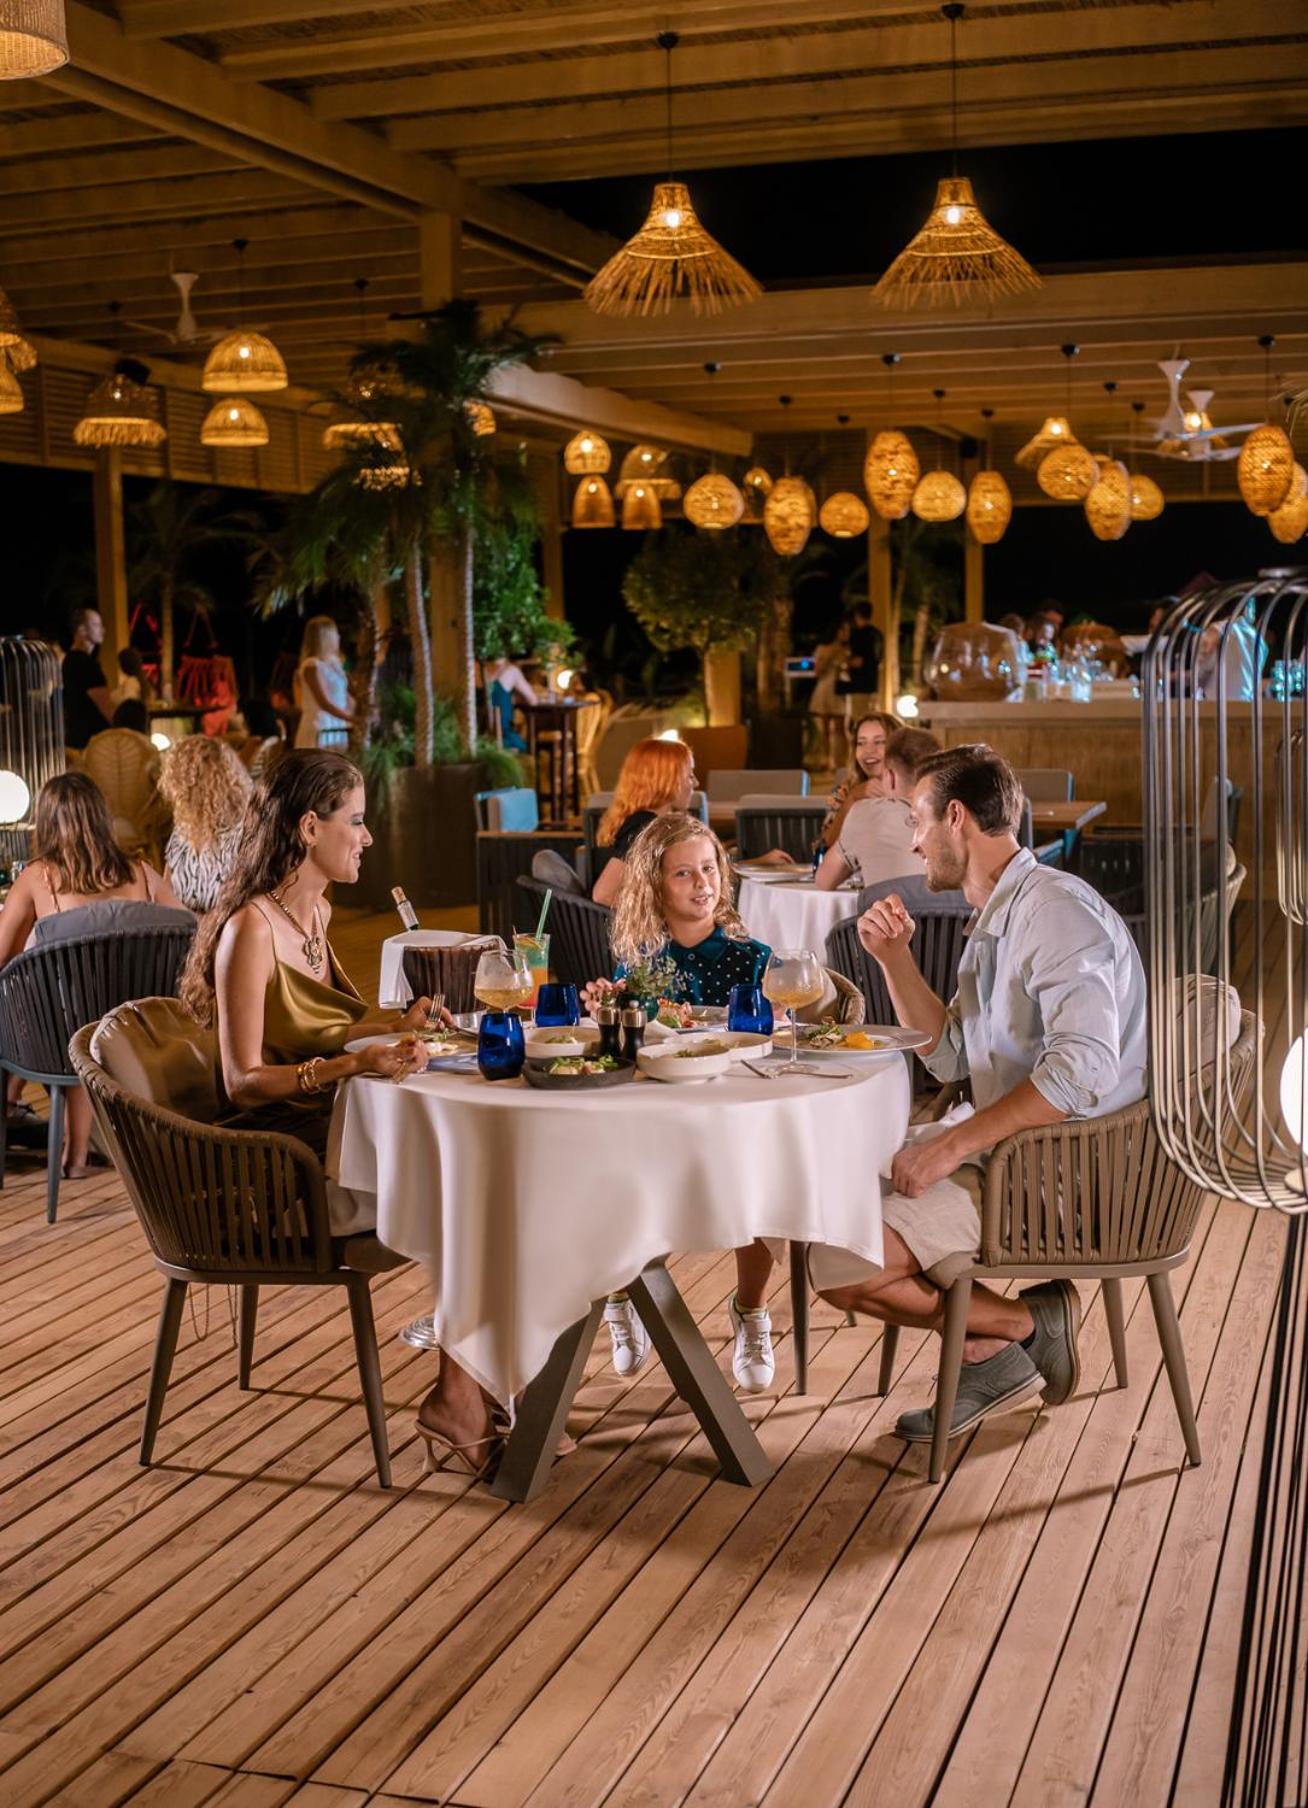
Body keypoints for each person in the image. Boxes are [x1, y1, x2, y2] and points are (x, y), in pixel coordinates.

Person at [811, 744, 1147, 1445]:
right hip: (1019, 1154)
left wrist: (950, 1148)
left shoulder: (1054, 912)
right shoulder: (1000, 913)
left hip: (1067, 1172)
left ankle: (1004, 1342)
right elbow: (952, 1056)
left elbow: (1081, 1071)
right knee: (822, 1203)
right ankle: (1011, 1332)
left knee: (838, 1261)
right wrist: (894, 960)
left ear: (956, 817)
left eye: (918, 820)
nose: (913, 841)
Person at [178, 754, 499, 1477]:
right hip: (284, 1158)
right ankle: (467, 1396)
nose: (368, 837)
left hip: (337, 1125)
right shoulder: (251, 930)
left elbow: (334, 1027)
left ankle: (480, 1388)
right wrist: (353, 1066)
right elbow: (241, 1082)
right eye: (356, 821)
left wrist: (398, 1023)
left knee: (486, 1174)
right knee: (472, 1185)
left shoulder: (318, 915)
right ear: (308, 827)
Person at [592, 812, 778, 1394]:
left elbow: (767, 1046)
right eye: (683, 874)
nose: (702, 884)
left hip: (733, 1109)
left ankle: (751, 1309)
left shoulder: (754, 959)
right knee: (614, 1177)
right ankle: (623, 1295)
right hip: (657, 1113)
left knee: (758, 1180)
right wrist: (606, 1011)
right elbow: (628, 1049)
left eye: (709, 869)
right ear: (654, 885)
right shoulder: (639, 963)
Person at [0, 773, 186, 1178]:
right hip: (136, 1027)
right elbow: (187, 928)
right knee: (84, 1010)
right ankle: (76, 1153)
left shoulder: (39, 877)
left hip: (61, 1041)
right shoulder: (140, 872)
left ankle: (24, 1119)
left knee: (34, 1010)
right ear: (103, 817)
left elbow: (2, 955)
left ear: (46, 823)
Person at [814, 727, 941, 892]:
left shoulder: (863, 813)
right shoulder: (956, 815)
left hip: (888, 908)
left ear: (891, 777)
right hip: (953, 909)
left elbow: (823, 881)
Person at [590, 735, 697, 908]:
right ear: (668, 779)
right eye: (689, 776)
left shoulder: (644, 821)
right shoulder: (644, 827)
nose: (696, 783)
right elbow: (603, 894)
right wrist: (664, 910)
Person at [159, 734, 253, 913]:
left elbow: (240, 904)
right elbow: (166, 891)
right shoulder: (183, 829)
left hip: (222, 926)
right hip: (186, 922)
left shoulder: (240, 836)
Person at [819, 711, 899, 849]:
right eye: (861, 743)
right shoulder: (844, 792)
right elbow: (825, 845)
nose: (869, 750)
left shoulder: (917, 789)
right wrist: (851, 799)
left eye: (879, 742)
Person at [293, 617, 353, 750]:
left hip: (338, 723)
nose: (339, 637)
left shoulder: (335, 662)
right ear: (326, 637)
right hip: (322, 724)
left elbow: (345, 694)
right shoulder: (312, 665)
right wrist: (352, 718)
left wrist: (361, 712)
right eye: (335, 633)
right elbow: (323, 702)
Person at [62, 607, 114, 750]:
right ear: (82, 630)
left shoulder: (69, 659)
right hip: (93, 744)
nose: (102, 630)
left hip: (77, 739)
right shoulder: (84, 663)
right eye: (96, 625)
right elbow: (106, 707)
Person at [807, 622, 850, 769]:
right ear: (837, 632)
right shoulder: (822, 648)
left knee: (841, 727)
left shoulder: (846, 650)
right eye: (844, 630)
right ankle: (826, 759)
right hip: (825, 688)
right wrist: (829, 657)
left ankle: (843, 761)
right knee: (824, 728)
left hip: (839, 689)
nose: (846, 634)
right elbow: (817, 672)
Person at [482, 655, 536, 752]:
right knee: (526, 747)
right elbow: (533, 700)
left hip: (479, 736)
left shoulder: (479, 669)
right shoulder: (511, 671)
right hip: (502, 736)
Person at [839, 601, 881, 721]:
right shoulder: (877, 634)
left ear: (857, 615)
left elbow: (858, 662)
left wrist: (844, 663)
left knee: (859, 718)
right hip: (873, 682)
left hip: (860, 684)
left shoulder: (859, 635)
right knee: (871, 716)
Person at [110, 647, 152, 713]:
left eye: (119, 663)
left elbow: (128, 705)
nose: (118, 666)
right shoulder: (137, 680)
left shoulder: (132, 682)